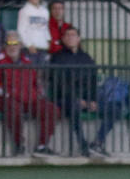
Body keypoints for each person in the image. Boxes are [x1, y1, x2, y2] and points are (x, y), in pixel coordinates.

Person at [49, 26, 117, 156]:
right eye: (67, 35)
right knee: (74, 107)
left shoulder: (86, 58)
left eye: (73, 35)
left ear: (78, 38)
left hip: (86, 100)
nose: (70, 38)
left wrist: (93, 100)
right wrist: (78, 100)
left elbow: (92, 81)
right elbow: (59, 84)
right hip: (65, 99)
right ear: (63, 39)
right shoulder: (57, 58)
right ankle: (83, 145)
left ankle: (97, 142)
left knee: (114, 108)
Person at [0, 30, 57, 155]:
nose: (12, 46)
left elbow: (37, 82)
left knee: (51, 110)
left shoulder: (27, 61)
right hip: (9, 98)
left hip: (30, 98)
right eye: (9, 42)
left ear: (20, 45)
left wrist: (39, 94)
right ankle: (19, 145)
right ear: (5, 45)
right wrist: (8, 94)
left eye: (15, 43)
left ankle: (42, 145)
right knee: (13, 109)